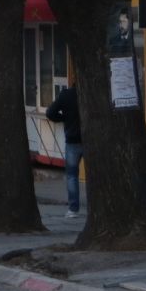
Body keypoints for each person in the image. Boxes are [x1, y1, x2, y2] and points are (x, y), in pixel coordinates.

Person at [46, 86, 83, 218]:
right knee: (96, 174)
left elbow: (50, 113)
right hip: (91, 139)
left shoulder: (66, 95)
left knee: (72, 175)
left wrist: (64, 118)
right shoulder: (92, 93)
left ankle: (73, 209)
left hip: (73, 139)